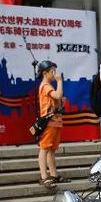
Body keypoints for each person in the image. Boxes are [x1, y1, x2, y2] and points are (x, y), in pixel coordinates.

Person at [36, 60, 68, 189]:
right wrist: (60, 82)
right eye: (53, 71)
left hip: (55, 121)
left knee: (51, 149)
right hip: (48, 122)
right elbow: (58, 94)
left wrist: (61, 101)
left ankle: (53, 174)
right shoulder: (45, 86)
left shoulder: (48, 86)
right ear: (45, 73)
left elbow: (57, 99)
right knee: (44, 148)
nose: (55, 74)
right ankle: (44, 176)